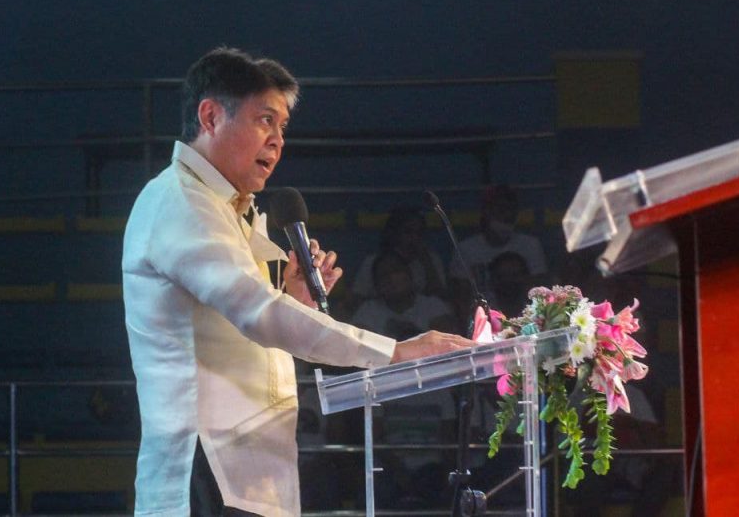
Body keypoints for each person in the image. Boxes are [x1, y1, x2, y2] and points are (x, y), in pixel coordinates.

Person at [122, 47, 473, 517]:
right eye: (264, 120)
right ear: (210, 116)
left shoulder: (223, 206)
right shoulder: (180, 203)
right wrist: (396, 352)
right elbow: (258, 315)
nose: (277, 141)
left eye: (282, 127)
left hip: (246, 474)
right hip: (204, 468)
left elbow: (246, 326)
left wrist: (293, 300)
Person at [448, 185, 548, 317]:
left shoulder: (530, 245)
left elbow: (540, 291)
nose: (506, 215)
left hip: (525, 315)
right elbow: (460, 298)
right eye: (500, 210)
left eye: (510, 210)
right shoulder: (466, 249)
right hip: (482, 317)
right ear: (486, 212)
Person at [350, 207, 452, 320]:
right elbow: (355, 300)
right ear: (394, 233)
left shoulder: (431, 260)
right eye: (408, 232)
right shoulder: (373, 262)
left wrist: (427, 262)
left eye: (418, 233)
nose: (414, 238)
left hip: (421, 320)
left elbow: (440, 299)